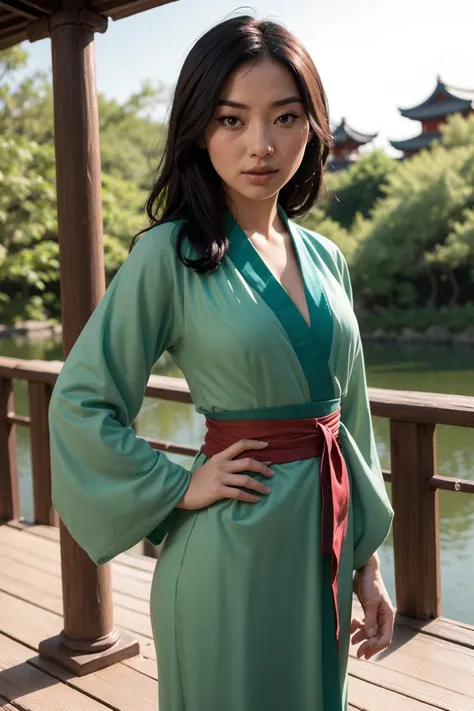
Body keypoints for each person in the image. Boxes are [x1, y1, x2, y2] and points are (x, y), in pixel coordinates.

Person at [49, 14, 395, 711]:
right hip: (229, 549)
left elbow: (349, 418)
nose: (260, 144)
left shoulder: (328, 259)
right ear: (199, 129)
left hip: (320, 549)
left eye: (285, 117)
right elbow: (80, 402)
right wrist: (177, 483)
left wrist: (369, 563)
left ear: (313, 127)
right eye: (232, 119)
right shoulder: (168, 255)